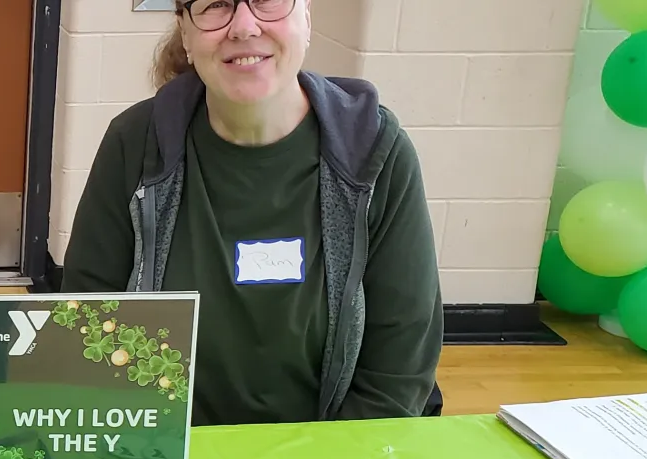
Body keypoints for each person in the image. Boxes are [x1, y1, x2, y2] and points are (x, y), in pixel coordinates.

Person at [60, 0, 441, 427]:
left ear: (306, 17)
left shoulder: (376, 155)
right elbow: (86, 329)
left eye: (266, 0)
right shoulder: (135, 145)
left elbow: (396, 377)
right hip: (167, 454)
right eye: (216, 4)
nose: (244, 26)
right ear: (185, 32)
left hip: (330, 456)